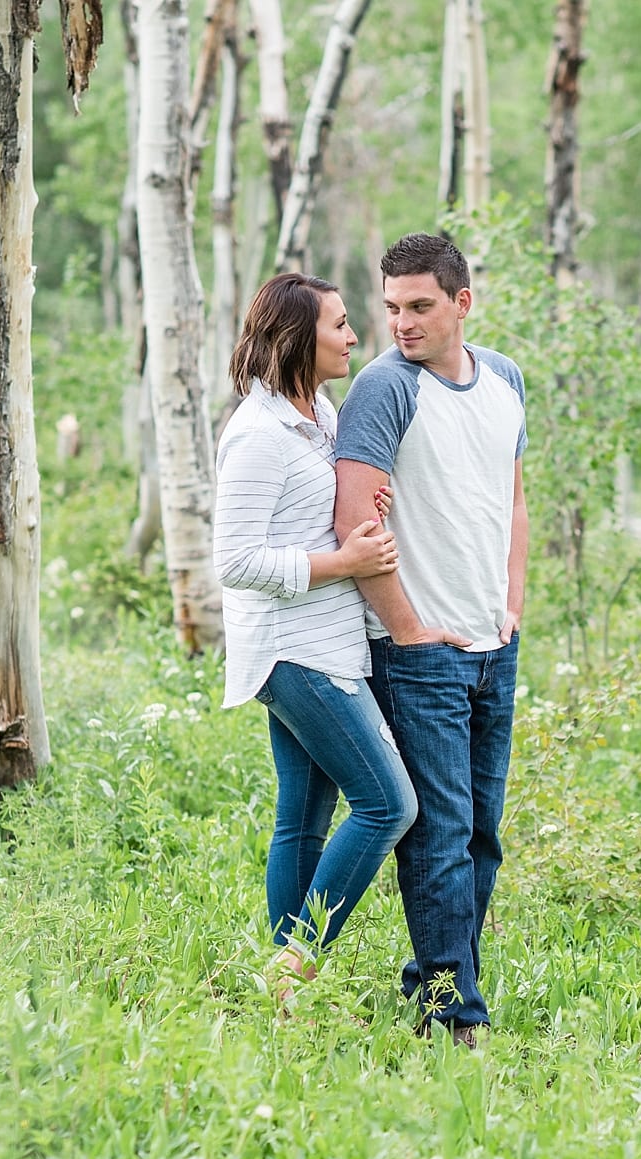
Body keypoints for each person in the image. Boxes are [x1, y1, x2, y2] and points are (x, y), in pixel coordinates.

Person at [333, 232, 527, 1050]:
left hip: (492, 644)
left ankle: (435, 984)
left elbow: (513, 501)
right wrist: (409, 632)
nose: (401, 324)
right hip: (420, 654)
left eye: (419, 307)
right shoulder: (382, 390)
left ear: (461, 304)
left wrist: (512, 605)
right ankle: (455, 1016)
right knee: (440, 835)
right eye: (389, 309)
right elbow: (353, 524)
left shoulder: (506, 380)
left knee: (482, 834)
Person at [214, 272, 416, 1002]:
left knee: (302, 818)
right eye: (338, 325)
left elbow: (311, 509)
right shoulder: (259, 435)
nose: (354, 336)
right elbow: (234, 561)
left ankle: (284, 993)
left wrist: (366, 506)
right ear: (299, 337)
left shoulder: (315, 414)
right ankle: (295, 963)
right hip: (293, 648)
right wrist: (345, 562)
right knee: (390, 804)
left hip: (323, 640)